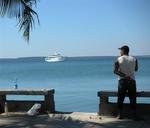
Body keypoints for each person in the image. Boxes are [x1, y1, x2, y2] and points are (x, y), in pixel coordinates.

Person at [113, 45, 138, 119]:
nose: (120, 51)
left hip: (122, 81)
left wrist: (124, 75)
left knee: (120, 98)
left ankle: (120, 115)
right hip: (132, 81)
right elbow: (136, 69)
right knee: (133, 98)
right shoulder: (134, 59)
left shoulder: (118, 59)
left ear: (123, 51)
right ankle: (134, 116)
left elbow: (115, 71)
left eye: (120, 50)